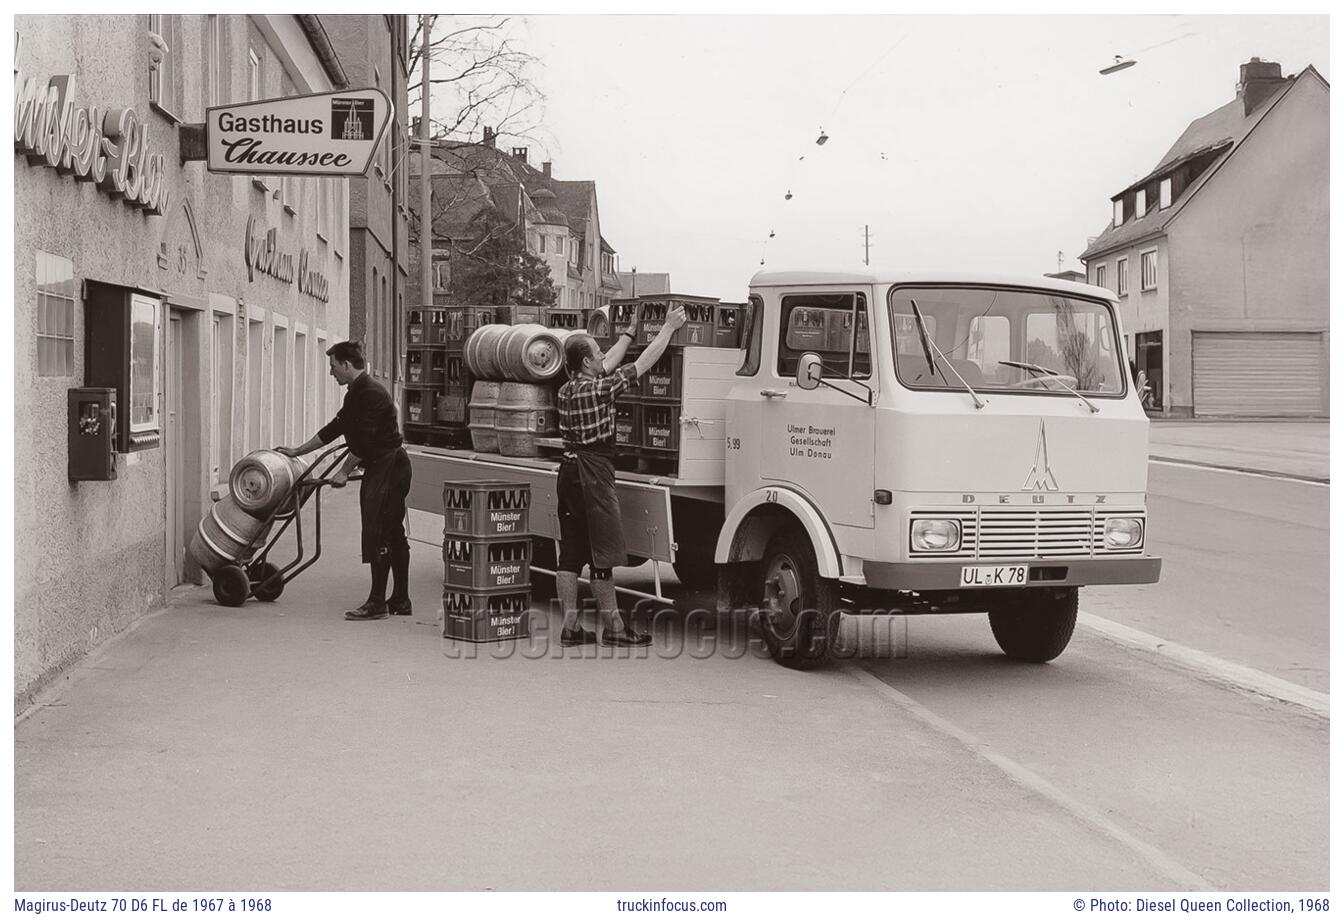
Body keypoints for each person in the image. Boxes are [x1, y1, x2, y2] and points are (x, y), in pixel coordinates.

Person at [556, 305, 688, 647]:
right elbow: (642, 364)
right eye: (597, 352)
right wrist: (668, 328)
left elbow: (609, 363)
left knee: (570, 554)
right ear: (587, 362)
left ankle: (570, 628)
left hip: (568, 472)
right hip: (593, 475)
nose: (603, 355)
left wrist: (629, 333)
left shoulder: (566, 389)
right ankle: (614, 628)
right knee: (602, 552)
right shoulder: (599, 390)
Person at [279, 341, 412, 621]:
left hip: (389, 466)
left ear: (346, 365)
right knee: (391, 532)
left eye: (333, 367)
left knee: (380, 532)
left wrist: (343, 471)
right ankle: (400, 599)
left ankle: (378, 603)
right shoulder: (356, 393)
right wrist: (298, 451)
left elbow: (364, 441)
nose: (331, 373)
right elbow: (335, 428)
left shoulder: (371, 393)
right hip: (384, 465)